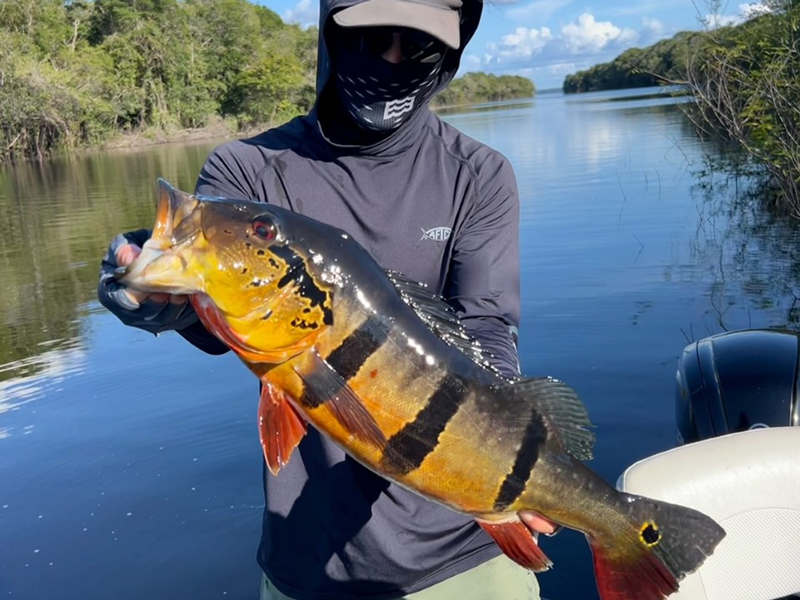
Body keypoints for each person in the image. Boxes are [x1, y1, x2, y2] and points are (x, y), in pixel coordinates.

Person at [98, 0, 558, 598]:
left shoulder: (479, 175)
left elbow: (488, 330)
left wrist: (509, 468)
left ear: (450, 54)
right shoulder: (249, 172)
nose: (392, 61)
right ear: (330, 34)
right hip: (307, 567)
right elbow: (214, 308)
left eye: (417, 47)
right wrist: (160, 300)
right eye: (370, 39)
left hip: (466, 558)